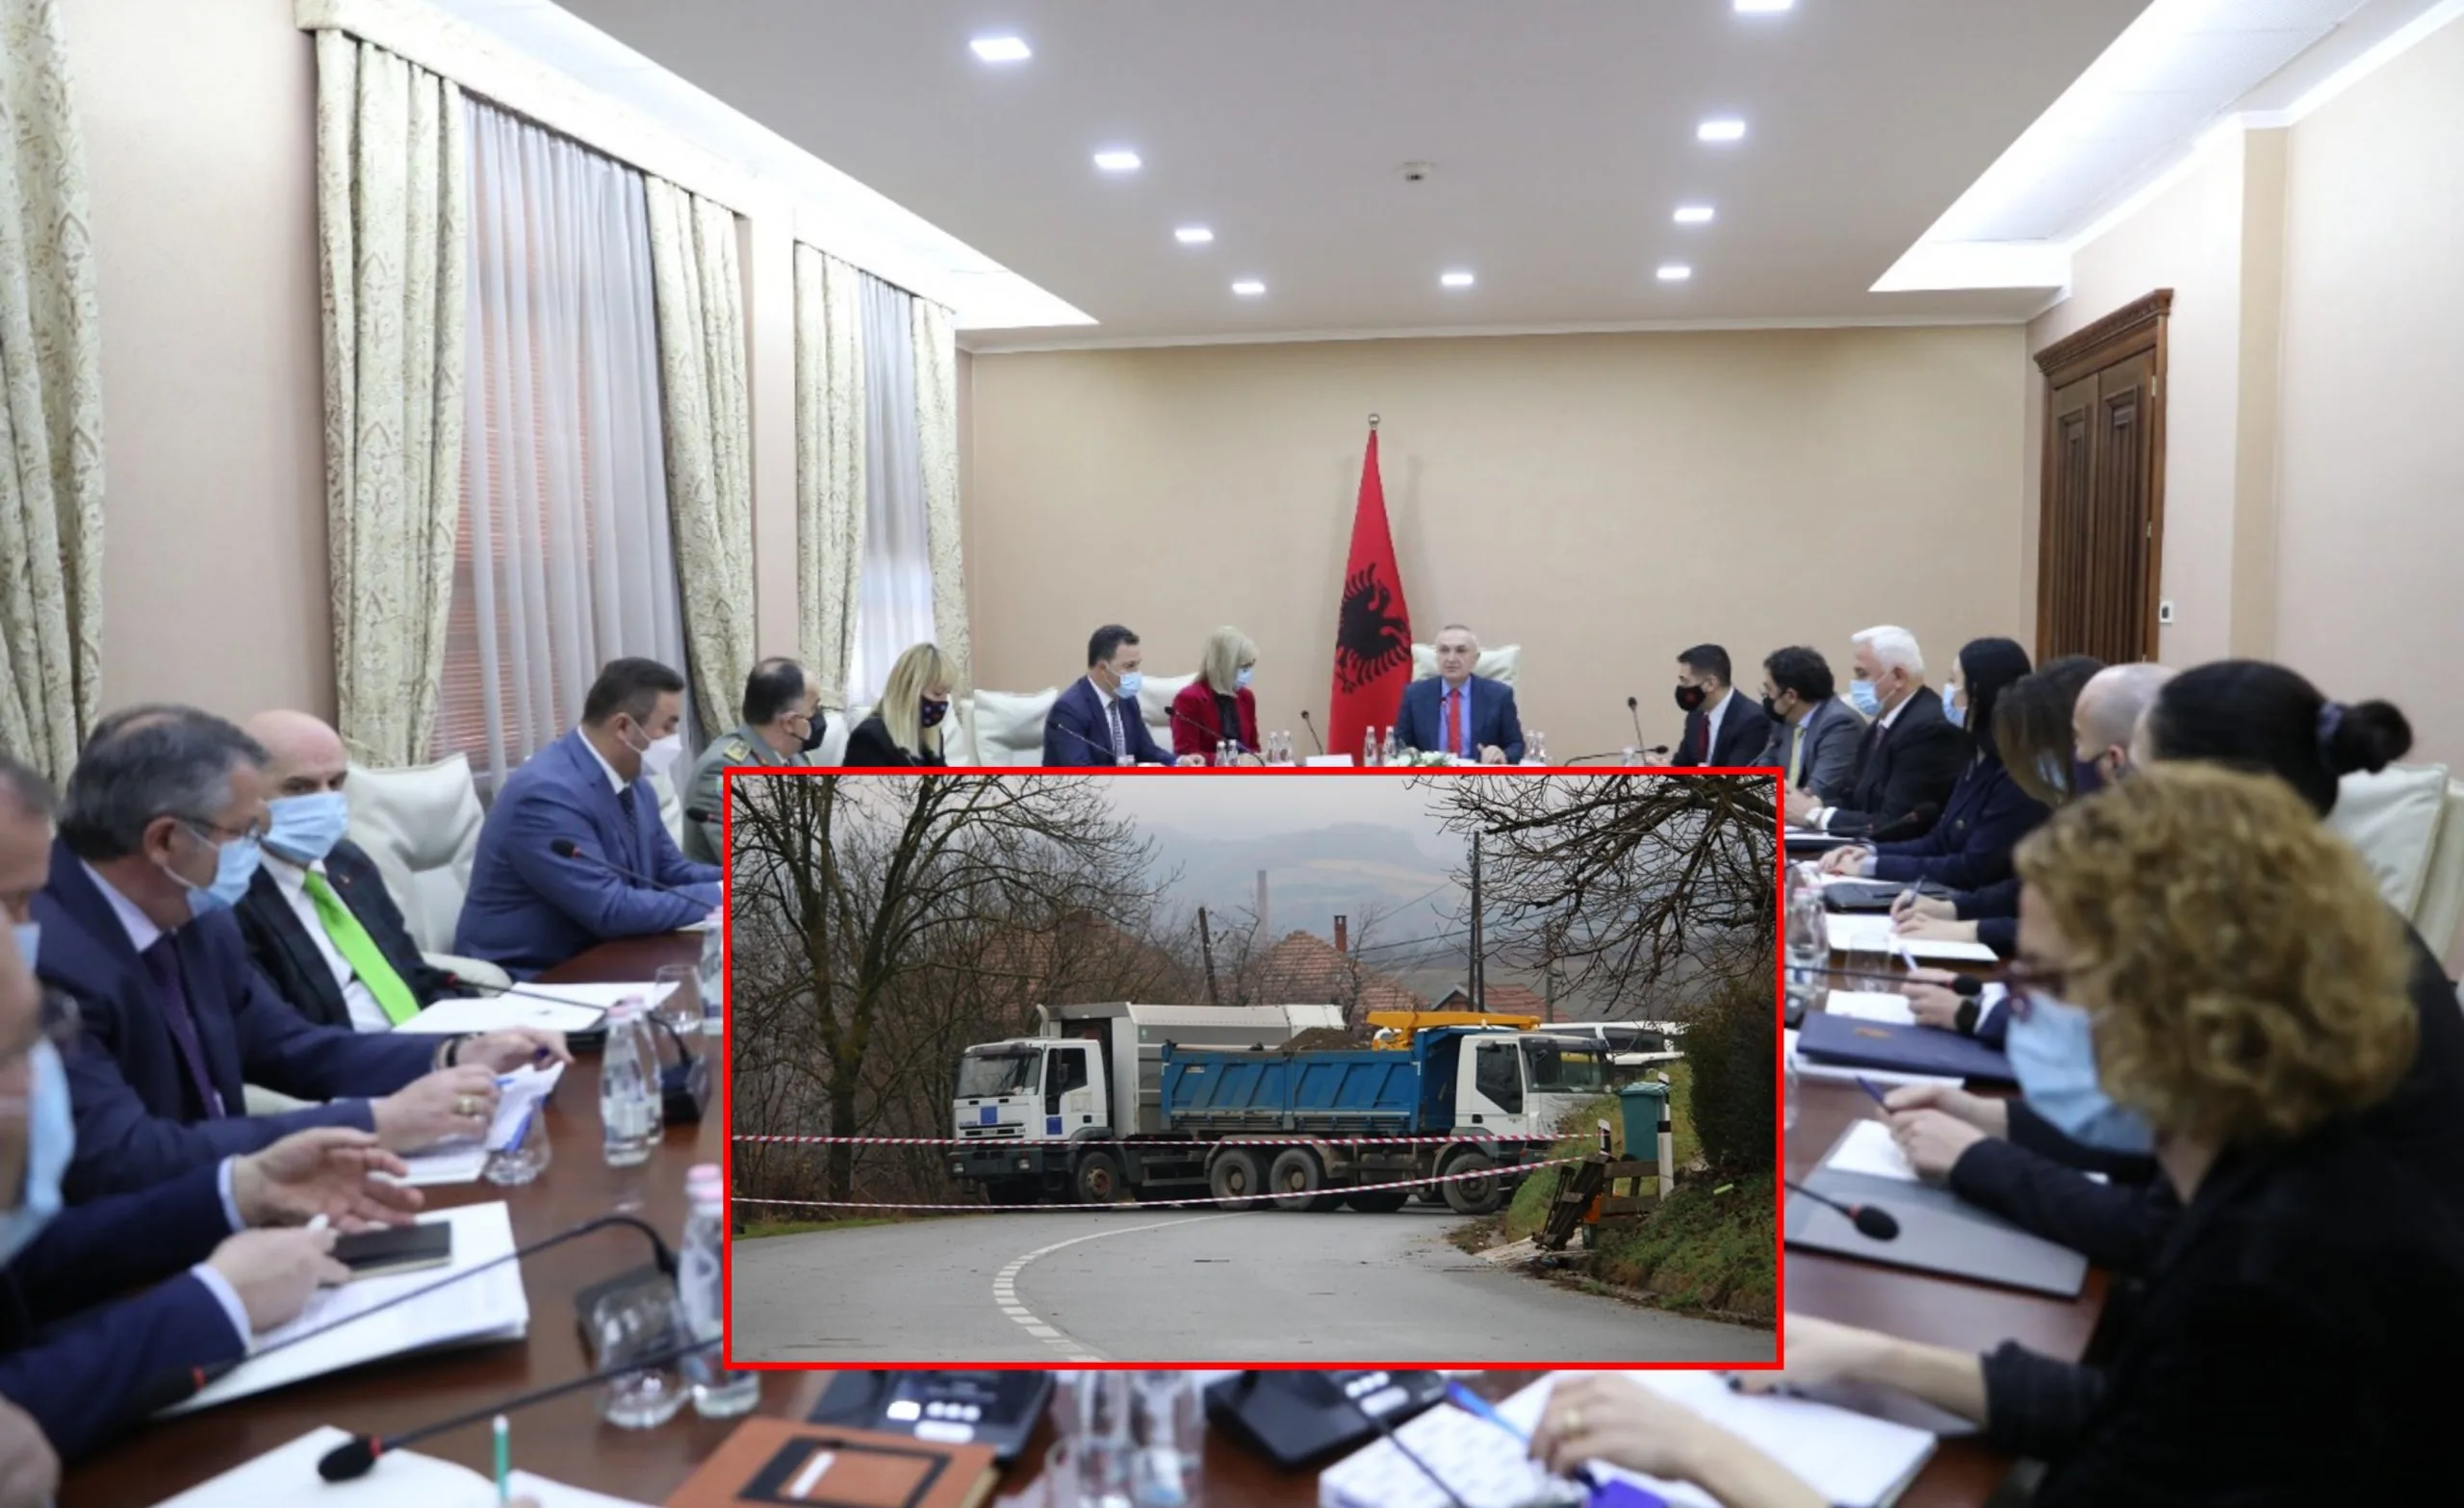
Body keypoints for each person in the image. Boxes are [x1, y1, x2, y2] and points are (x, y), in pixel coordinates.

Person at [1536, 766, 2460, 1506]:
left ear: (2171, 1008)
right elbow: (2147, 1409)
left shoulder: (2278, 1279)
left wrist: (1704, 1451)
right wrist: (1873, 1356)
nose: (2012, 1007)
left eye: (2039, 980)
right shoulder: (2281, 1172)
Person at [1888, 661, 2464, 1269]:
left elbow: (2166, 1230)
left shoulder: (2268, 960)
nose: (2114, 788)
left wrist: (1976, 1159)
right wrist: (1988, 1117)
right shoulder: (2292, 911)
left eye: (2130, 771)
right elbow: (2158, 1130)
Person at [29, 720, 562, 1198]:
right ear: (167, 840)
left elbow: (288, 1047)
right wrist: (378, 1122)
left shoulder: (197, 914)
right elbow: (122, 1154)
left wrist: (457, 1053)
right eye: (245, 832)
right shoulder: (39, 957)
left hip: (229, 1198)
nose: (256, 848)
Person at [0, 874, 424, 1462]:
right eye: (17, 1052)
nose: (41, 1079)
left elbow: (30, 1265)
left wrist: (242, 1190)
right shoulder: (69, 950)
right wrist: (217, 1301)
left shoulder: (205, 926)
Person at [454, 657, 725, 975]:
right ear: (623, 727)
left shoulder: (635, 784)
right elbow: (610, 909)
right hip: (532, 974)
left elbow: (669, 870)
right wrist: (724, 893)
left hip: (610, 957)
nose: (674, 738)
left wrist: (747, 877)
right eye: (667, 726)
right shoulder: (546, 794)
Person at [233, 710, 468, 1032]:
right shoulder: (233, 898)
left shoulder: (348, 862)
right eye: (299, 788)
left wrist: (484, 1022)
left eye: (335, 783)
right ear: (241, 794)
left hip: (426, 1041)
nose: (326, 801)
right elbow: (281, 1039)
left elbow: (410, 971)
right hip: (352, 1056)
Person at [1888, 656, 2104, 959]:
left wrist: (1973, 930)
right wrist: (1954, 909)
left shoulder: (2117, 819)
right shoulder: (2076, 801)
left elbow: (2091, 933)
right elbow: (2033, 884)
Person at [1818, 639, 2047, 891]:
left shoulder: (2017, 771)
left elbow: (1973, 869)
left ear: (1980, 692)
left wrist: (1872, 867)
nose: (1947, 690)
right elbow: (1939, 842)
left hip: (1975, 905)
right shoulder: (1977, 757)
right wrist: (1870, 852)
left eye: (1953, 680)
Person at [1783, 626, 1963, 839]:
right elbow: (1854, 797)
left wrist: (1814, 815)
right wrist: (1812, 803)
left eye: (1862, 674)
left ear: (1898, 676)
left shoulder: (1929, 728)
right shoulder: (1882, 724)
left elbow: (1896, 822)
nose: (1855, 684)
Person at [681, 658, 826, 861]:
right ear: (790, 722)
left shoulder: (797, 757)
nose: (820, 715)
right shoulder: (723, 768)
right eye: (815, 707)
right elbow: (748, 863)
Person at [1042, 626, 1200, 767]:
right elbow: (1081, 772)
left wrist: (1176, 762)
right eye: (1129, 666)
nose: (1137, 673)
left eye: (1137, 665)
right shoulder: (1069, 710)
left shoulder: (1127, 700)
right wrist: (1135, 770)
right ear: (1103, 668)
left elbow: (1146, 749)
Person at [1393, 625, 1524, 765]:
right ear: (1437, 656)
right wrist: (1408, 753)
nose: (1451, 659)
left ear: (1476, 658)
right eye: (1444, 650)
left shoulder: (1499, 695)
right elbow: (1400, 743)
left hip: (1479, 775)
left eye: (1461, 651)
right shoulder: (1414, 695)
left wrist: (1502, 755)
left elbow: (1516, 745)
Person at [1755, 646, 1862, 804]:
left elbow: (1818, 792)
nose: (1767, 696)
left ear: (1791, 696)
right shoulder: (1785, 721)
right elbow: (1764, 770)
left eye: (1769, 689)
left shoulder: (1840, 724)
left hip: (1825, 814)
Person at [844, 643, 957, 768]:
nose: (944, 701)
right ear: (909, 690)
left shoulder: (932, 735)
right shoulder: (868, 738)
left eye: (947, 692)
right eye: (938, 693)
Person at [1169, 627, 1264, 765]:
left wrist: (1259, 758)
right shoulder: (1189, 699)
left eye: (1251, 666)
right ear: (1225, 666)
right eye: (1244, 667)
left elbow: (1253, 748)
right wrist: (1233, 761)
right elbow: (1186, 754)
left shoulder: (1246, 697)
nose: (1249, 673)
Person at [1670, 644, 1771, 768]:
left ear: (1710, 683)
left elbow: (1735, 776)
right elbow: (1682, 765)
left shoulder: (1753, 721)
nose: (1681, 687)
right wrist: (1666, 770)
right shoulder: (1696, 715)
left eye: (1685, 681)